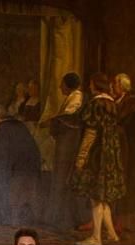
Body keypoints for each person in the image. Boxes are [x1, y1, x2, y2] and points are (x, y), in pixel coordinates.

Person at [72, 72, 124, 245]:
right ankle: (111, 234)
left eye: (91, 84)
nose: (89, 87)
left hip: (97, 154)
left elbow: (90, 133)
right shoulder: (112, 103)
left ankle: (96, 238)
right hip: (110, 154)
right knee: (103, 198)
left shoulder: (95, 104)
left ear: (95, 85)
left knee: (96, 197)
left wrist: (81, 157)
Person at [43, 72, 84, 230]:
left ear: (68, 85)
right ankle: (57, 218)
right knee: (59, 179)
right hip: (65, 144)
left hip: (69, 145)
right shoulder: (72, 97)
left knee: (63, 179)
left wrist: (51, 121)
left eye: (62, 84)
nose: (60, 87)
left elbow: (68, 119)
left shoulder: (76, 97)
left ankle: (61, 220)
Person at [0, 104, 42, 227]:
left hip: (18, 166)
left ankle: (14, 222)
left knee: (15, 195)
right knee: (31, 193)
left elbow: (2, 154)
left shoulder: (2, 128)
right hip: (32, 163)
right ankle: (35, 221)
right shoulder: (19, 124)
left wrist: (1, 172)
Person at [111, 73, 135, 236]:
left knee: (128, 187)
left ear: (122, 86)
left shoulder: (133, 105)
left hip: (130, 153)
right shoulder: (118, 102)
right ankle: (114, 220)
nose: (113, 87)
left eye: (116, 85)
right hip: (119, 151)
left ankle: (123, 222)